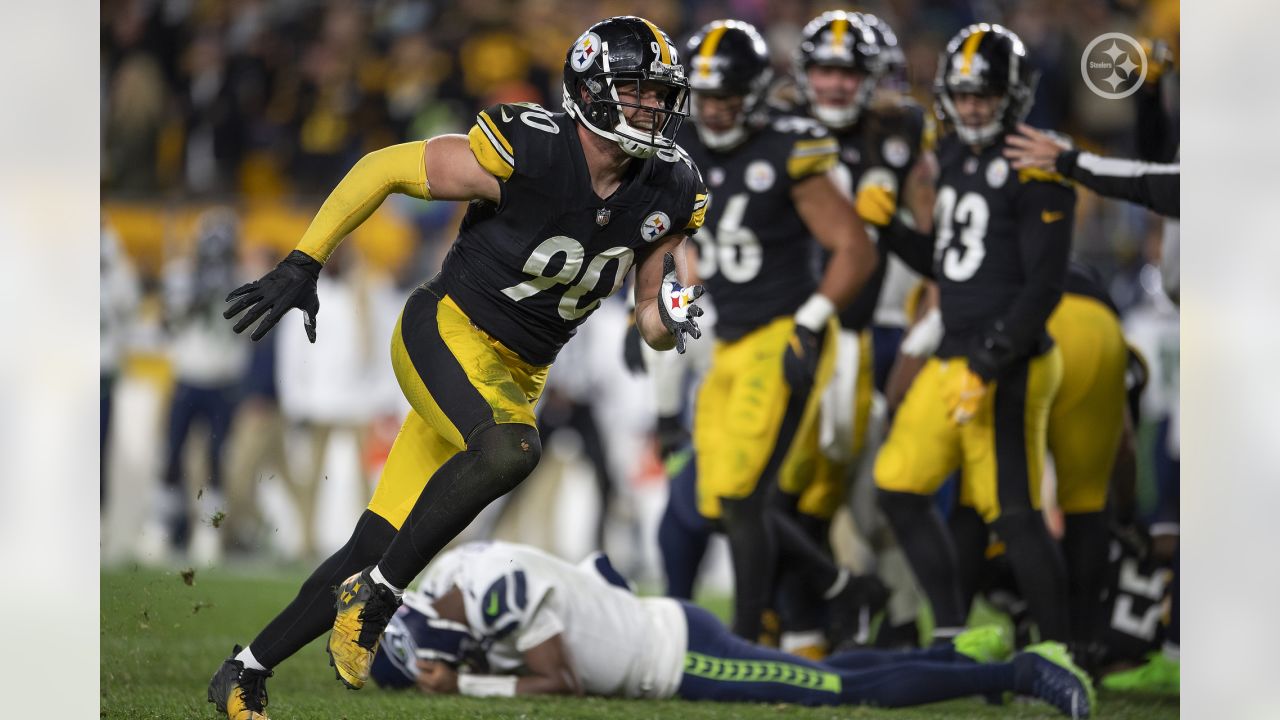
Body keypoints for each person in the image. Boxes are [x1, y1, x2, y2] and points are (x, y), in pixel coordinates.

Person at [207, 16, 709, 720]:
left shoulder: (669, 187)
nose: (654, 107)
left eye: (661, 94)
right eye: (636, 90)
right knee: (511, 447)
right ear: (593, 93)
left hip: (514, 373)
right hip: (444, 331)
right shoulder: (531, 148)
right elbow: (384, 166)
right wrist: (304, 259)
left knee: (375, 540)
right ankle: (379, 597)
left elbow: (651, 316)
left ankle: (245, 670)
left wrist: (674, 319)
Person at [859, 23, 1076, 647]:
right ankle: (953, 628)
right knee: (897, 485)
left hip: (1009, 361)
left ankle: (1057, 655)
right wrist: (893, 230)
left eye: (986, 94)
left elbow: (1043, 287)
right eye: (966, 94)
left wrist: (993, 357)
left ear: (1013, 96)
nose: (975, 106)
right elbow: (953, 262)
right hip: (954, 353)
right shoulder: (953, 154)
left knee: (1015, 514)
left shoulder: (1035, 162)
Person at [367, 540, 1095, 718]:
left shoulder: (487, 594)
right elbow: (598, 569)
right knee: (836, 679)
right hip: (666, 626)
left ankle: (1019, 673)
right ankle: (973, 656)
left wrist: (467, 683)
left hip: (679, 656)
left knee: (839, 694)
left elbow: (562, 681)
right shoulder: (460, 568)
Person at [675, 19, 877, 643]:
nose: (713, 109)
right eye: (704, 96)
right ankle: (841, 587)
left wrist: (813, 322)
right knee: (716, 497)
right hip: (729, 337)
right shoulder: (683, 147)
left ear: (757, 91)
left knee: (743, 496)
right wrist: (669, 304)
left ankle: (744, 639)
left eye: (726, 95)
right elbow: (676, 238)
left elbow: (854, 248)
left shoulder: (792, 146)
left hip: (782, 331)